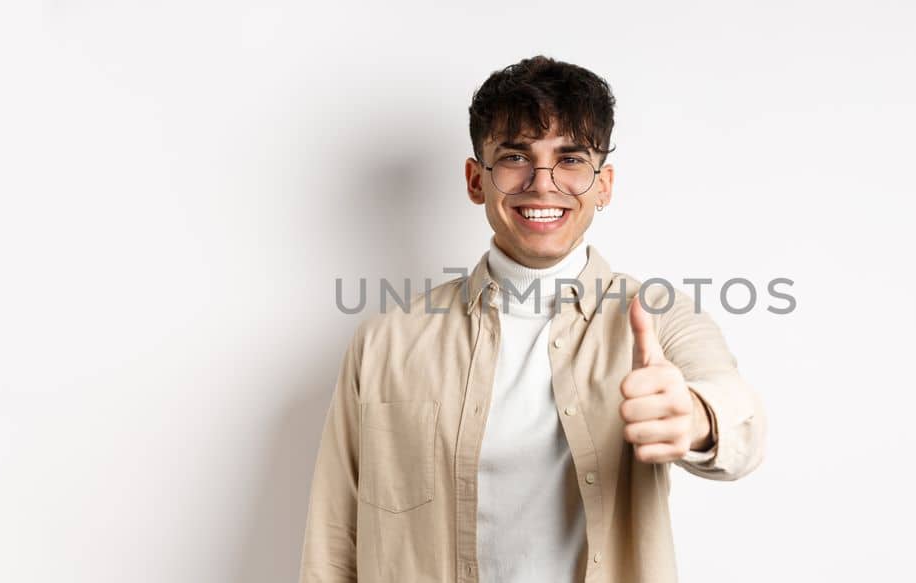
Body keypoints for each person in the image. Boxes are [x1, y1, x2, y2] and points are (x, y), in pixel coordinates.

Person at [299, 54, 767, 583]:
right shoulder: (385, 341)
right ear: (477, 180)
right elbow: (335, 538)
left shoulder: (658, 317)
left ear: (604, 185)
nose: (542, 184)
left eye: (570, 160)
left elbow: (740, 418)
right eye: (516, 157)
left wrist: (698, 418)